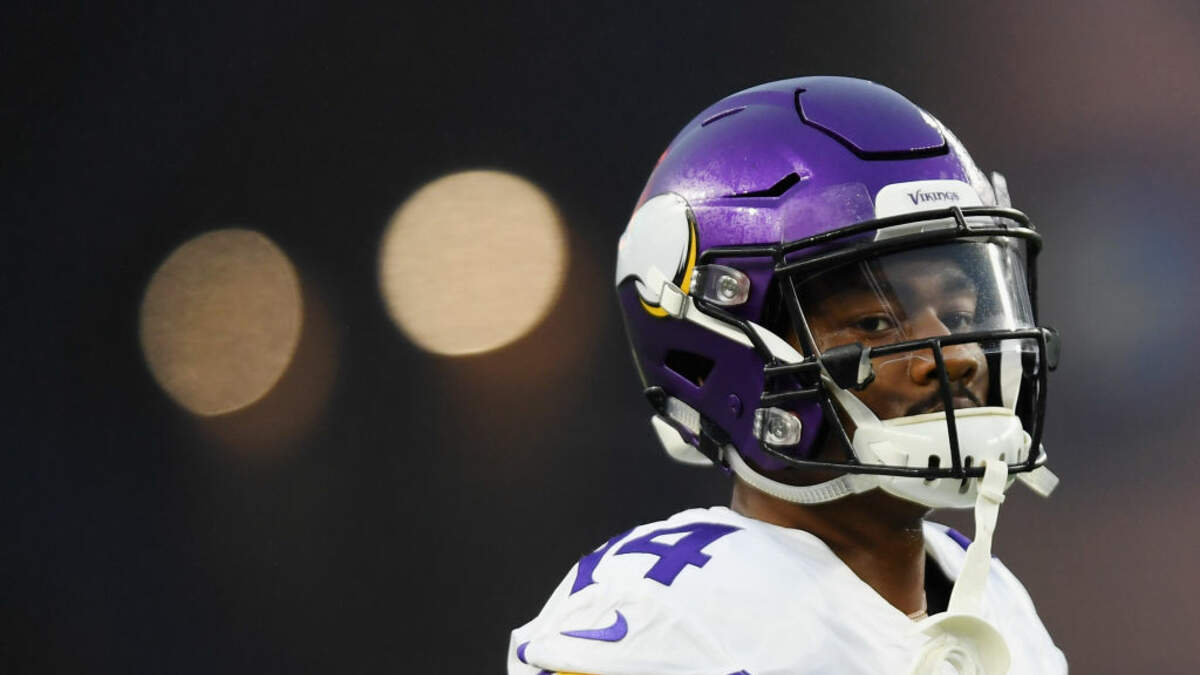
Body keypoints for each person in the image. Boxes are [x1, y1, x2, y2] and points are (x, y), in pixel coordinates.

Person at [508, 76, 1067, 674]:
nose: (957, 358)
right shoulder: (665, 616)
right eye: (876, 322)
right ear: (719, 343)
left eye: (958, 317)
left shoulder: (994, 600)